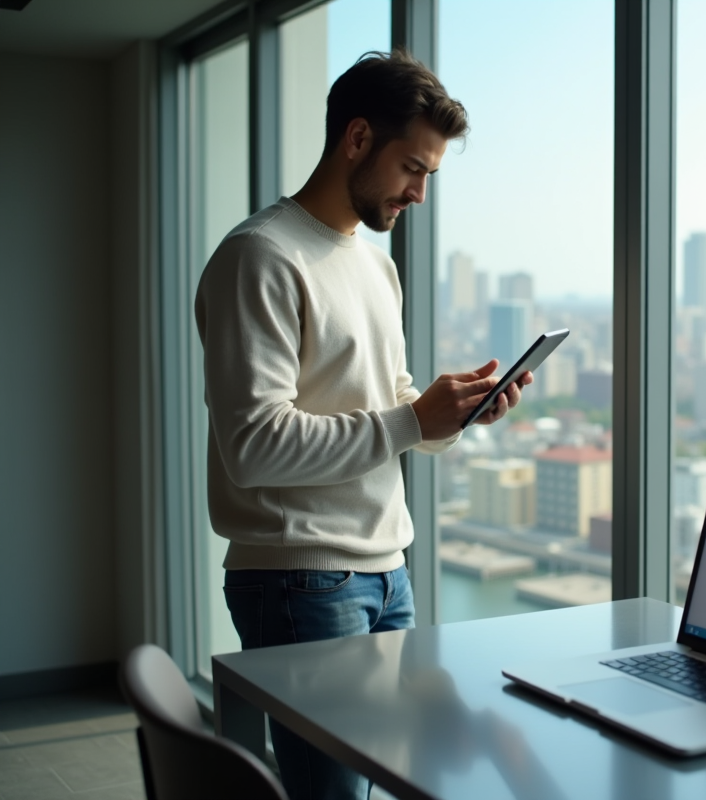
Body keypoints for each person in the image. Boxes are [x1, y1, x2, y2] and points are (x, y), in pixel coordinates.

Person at [194, 49, 531, 800]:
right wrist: (411, 420)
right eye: (412, 168)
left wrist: (456, 416)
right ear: (355, 140)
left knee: (389, 781)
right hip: (299, 580)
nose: (418, 192)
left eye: (430, 176)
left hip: (388, 572)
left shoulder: (375, 267)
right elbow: (252, 447)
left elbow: (392, 406)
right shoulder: (261, 258)